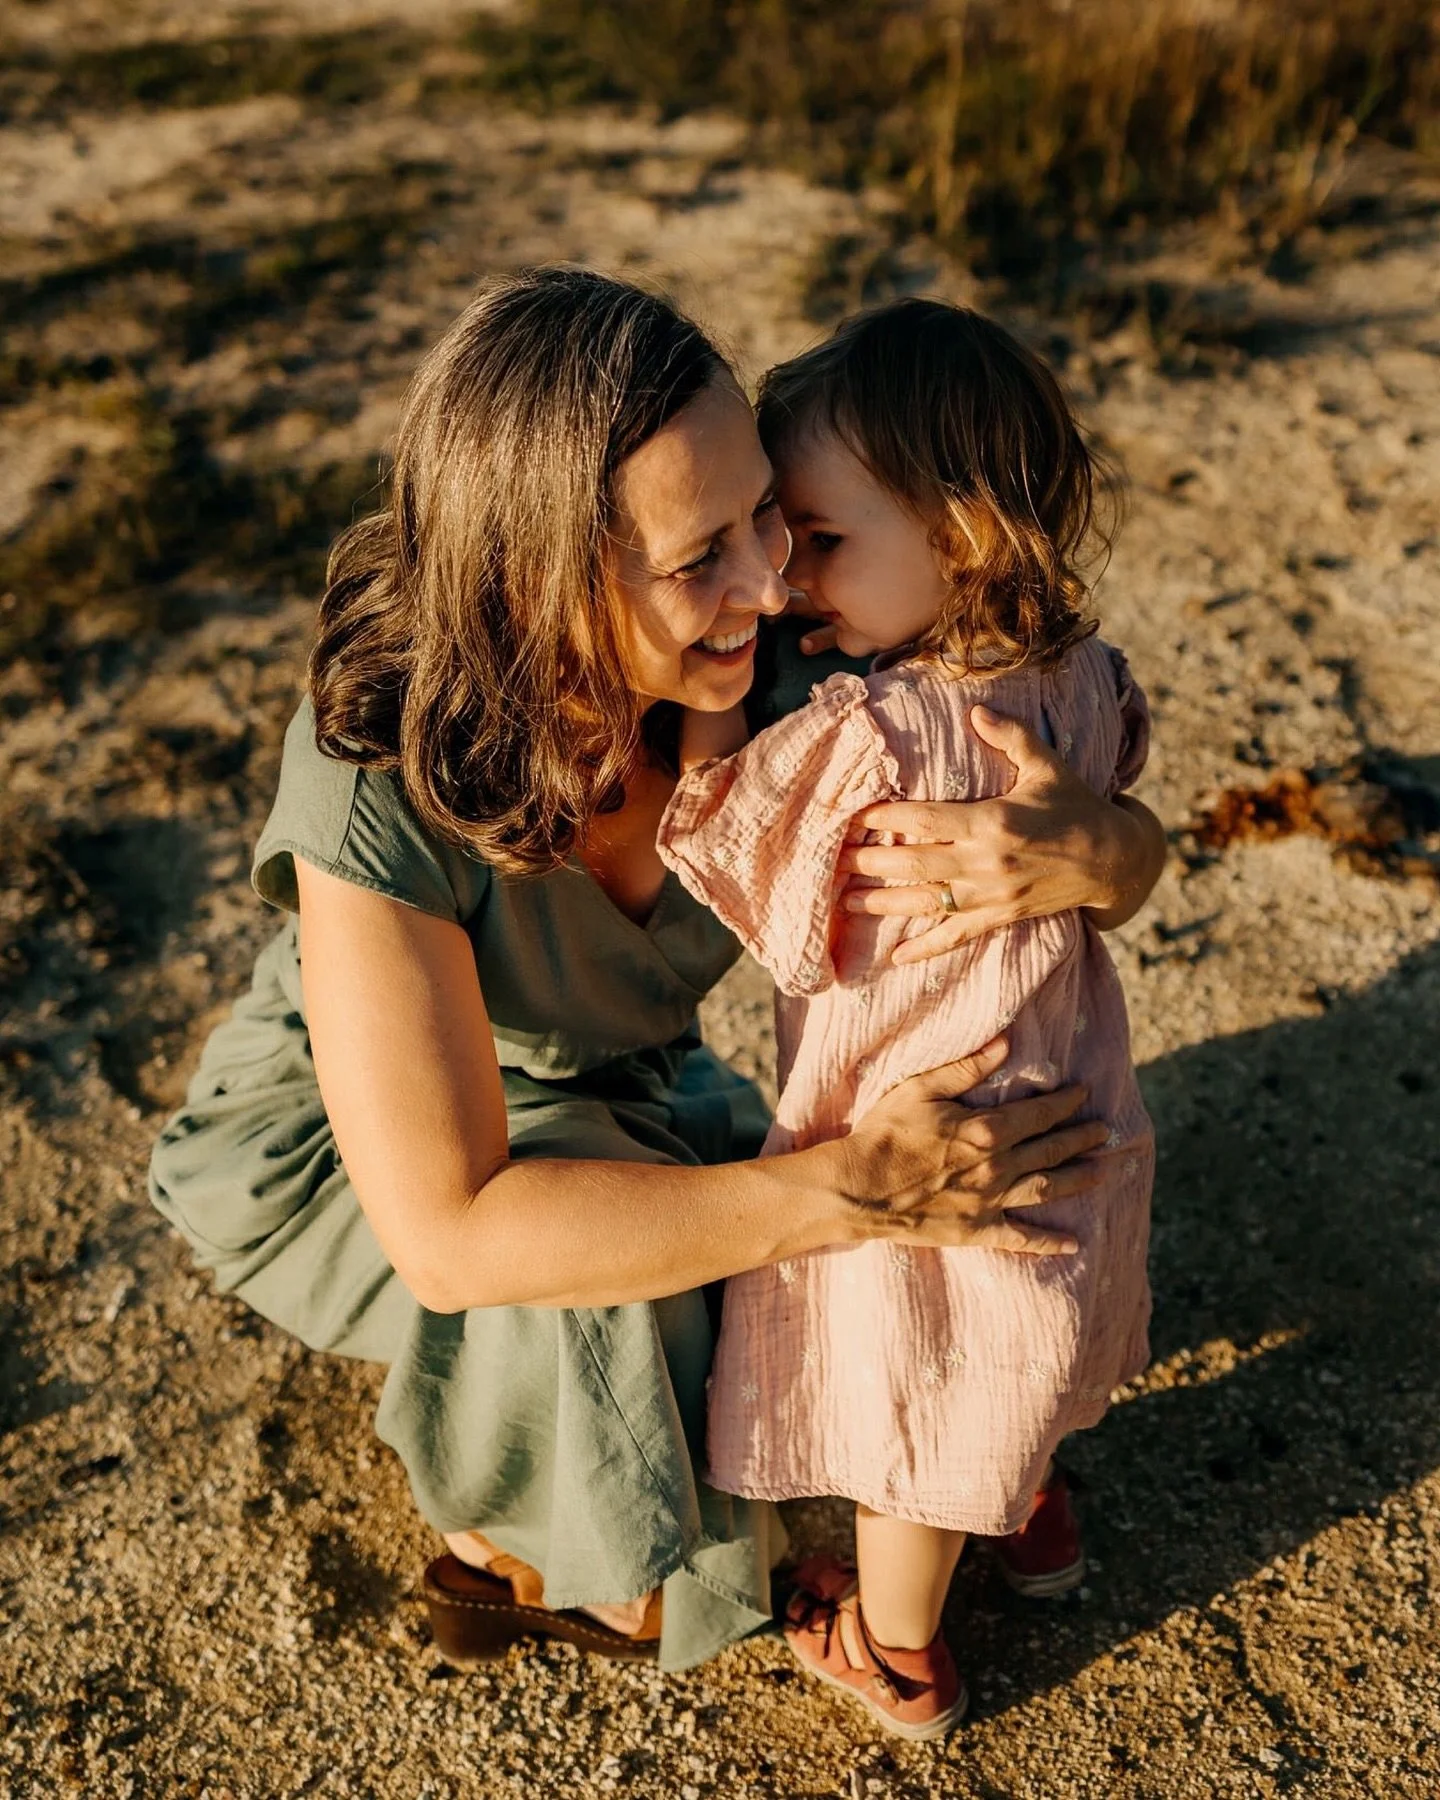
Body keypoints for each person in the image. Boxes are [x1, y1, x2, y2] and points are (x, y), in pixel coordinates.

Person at [148, 267, 1166, 1676]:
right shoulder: (373, 768)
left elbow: (1053, 778)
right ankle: (556, 1564)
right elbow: (452, 1230)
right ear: (536, 578)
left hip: (634, 1084)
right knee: (630, 1308)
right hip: (366, 1149)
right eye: (703, 555)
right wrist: (851, 1190)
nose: (771, 577)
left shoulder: (781, 661)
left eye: (771, 510)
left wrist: (1105, 853)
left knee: (845, 1244)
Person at [656, 298, 1155, 1734]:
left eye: (819, 539)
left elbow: (733, 858)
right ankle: (1037, 1525)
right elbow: (1125, 757)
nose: (784, 575)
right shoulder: (1075, 677)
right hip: (1069, 1100)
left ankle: (896, 1650)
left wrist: (709, 725)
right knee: (1030, 1342)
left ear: (964, 539)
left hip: (921, 1140)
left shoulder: (866, 735)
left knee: (919, 1402)